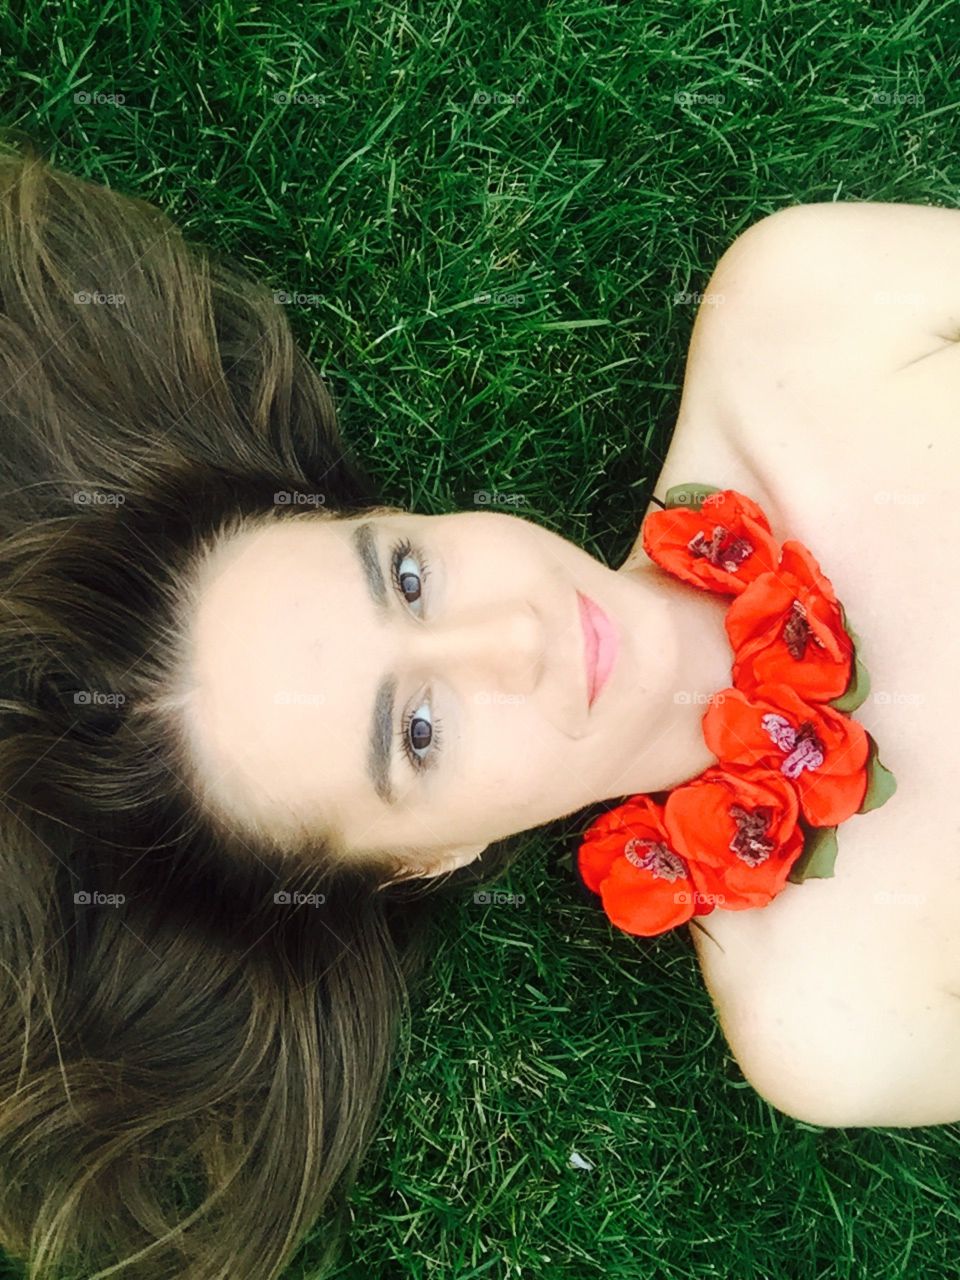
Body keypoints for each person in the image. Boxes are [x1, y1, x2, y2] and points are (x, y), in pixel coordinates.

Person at [0, 140, 954, 1280]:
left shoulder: (803, 317)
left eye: (407, 578)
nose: (514, 637)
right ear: (427, 859)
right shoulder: (834, 1021)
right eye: (419, 733)